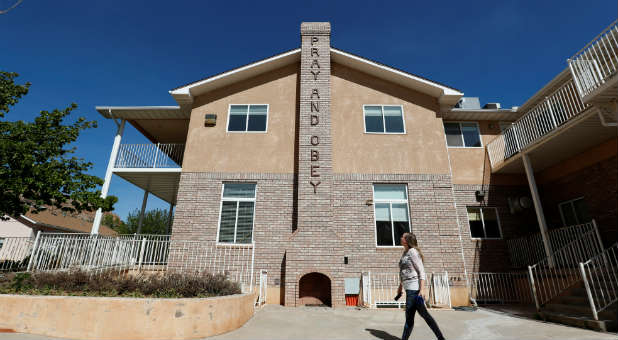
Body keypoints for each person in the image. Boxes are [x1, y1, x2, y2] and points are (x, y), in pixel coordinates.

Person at [397, 232, 445, 340]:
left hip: (414, 290)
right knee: (424, 315)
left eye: (402, 236)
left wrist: (422, 289)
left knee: (410, 318)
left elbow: (421, 271)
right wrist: (400, 287)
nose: (400, 238)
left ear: (407, 240)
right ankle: (441, 338)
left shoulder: (413, 252)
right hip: (409, 289)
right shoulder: (405, 252)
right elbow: (404, 272)